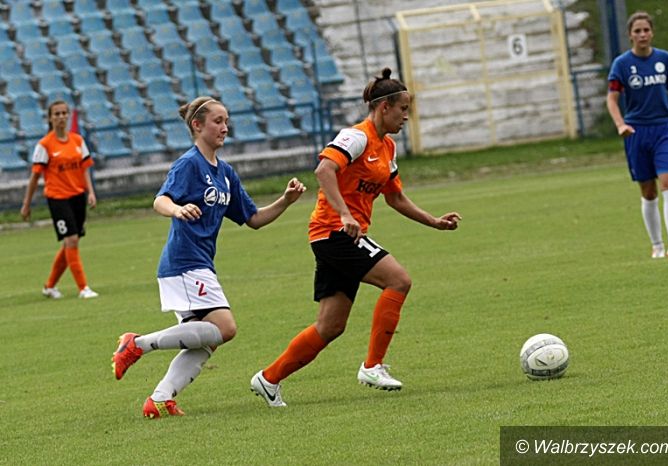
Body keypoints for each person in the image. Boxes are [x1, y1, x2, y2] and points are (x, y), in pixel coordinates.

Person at [250, 68, 462, 407]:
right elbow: (324, 170)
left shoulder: (387, 147)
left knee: (330, 326)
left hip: (338, 235)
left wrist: (434, 222)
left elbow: (395, 198)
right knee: (399, 280)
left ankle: (269, 378)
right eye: (402, 108)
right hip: (334, 232)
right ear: (384, 107)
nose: (406, 116)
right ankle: (373, 366)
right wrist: (345, 214)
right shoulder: (356, 137)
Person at [111, 96, 306, 418]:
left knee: (206, 341)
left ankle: (159, 400)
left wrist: (285, 200)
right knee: (225, 328)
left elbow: (254, 219)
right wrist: (177, 209)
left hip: (199, 264)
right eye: (217, 121)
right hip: (185, 262)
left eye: (226, 121)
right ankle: (137, 343)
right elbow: (160, 200)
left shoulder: (225, 173)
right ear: (197, 126)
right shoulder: (189, 164)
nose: (225, 127)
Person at [606, 11, 668, 259]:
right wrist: (620, 124)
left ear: (652, 32)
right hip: (636, 132)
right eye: (637, 31)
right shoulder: (621, 64)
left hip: (664, 128)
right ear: (630, 35)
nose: (642, 35)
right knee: (649, 191)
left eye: (646, 30)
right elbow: (612, 99)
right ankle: (657, 245)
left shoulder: (665, 59)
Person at [20, 100, 99, 299]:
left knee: (70, 243)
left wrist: (90, 192)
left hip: (77, 197)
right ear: (50, 118)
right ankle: (83, 288)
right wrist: (26, 204)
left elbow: (85, 169)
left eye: (64, 113)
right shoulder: (44, 145)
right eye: (57, 114)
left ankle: (49, 286)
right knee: (71, 240)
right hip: (58, 198)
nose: (61, 117)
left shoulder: (78, 141)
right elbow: (35, 177)